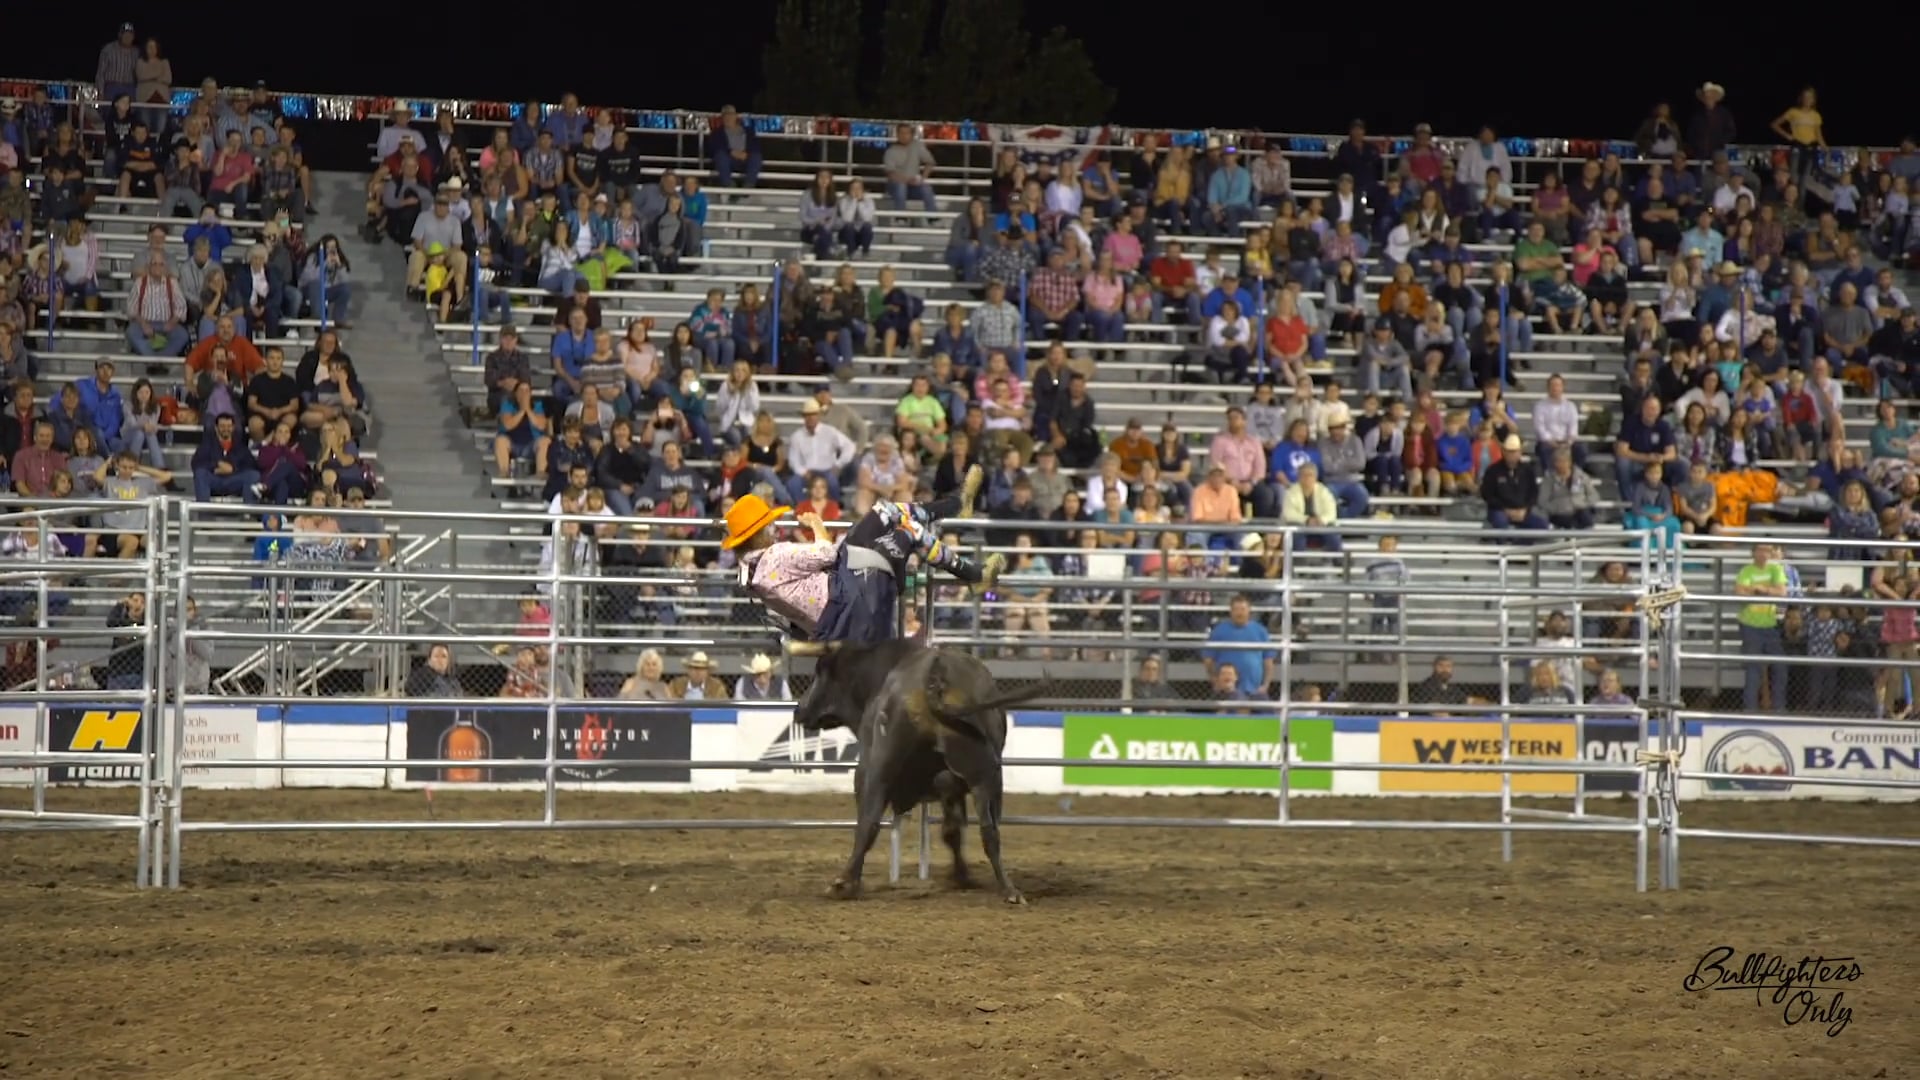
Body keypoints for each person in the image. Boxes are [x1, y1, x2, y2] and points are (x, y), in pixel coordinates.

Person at [724, 465, 1003, 644]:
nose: (773, 527)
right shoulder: (774, 557)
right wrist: (817, 526)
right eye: (767, 525)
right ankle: (972, 570)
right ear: (757, 534)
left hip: (835, 605)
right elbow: (828, 553)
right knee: (907, 530)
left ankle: (955, 506)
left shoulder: (752, 573)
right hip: (844, 594)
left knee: (884, 511)